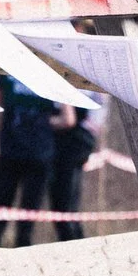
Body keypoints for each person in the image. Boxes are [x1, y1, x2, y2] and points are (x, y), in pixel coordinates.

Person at [0, 80, 59, 248]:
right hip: (18, 152)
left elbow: (68, 118)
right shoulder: (10, 76)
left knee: (19, 221)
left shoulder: (51, 78)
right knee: (2, 218)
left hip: (33, 154)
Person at [46, 98, 101, 241]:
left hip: (73, 143)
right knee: (65, 208)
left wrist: (41, 121)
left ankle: (75, 244)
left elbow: (69, 120)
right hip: (74, 141)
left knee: (65, 208)